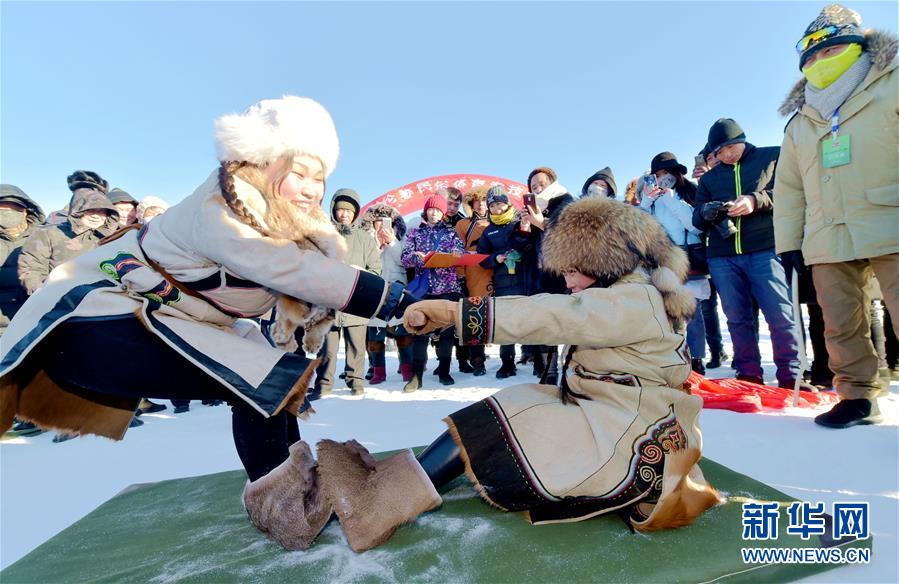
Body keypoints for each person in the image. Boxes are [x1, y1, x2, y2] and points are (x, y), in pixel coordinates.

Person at [0, 96, 419, 551]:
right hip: (99, 320)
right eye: (298, 172)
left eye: (319, 179)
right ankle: (285, 513)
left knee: (275, 379)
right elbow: (286, 269)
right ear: (263, 162)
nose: (311, 190)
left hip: (174, 317)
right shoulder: (223, 203)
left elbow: (295, 286)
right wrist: (396, 301)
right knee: (256, 381)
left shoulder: (291, 225)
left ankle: (304, 491)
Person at [264, 196, 721, 553]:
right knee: (513, 405)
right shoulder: (626, 292)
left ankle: (377, 505)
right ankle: (387, 488)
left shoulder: (630, 300)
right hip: (611, 412)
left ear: (607, 263)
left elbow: (546, 315)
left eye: (575, 270)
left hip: (632, 434)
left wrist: (451, 312)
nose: (567, 281)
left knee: (504, 420)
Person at [774, 4, 897, 428]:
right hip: (827, 233)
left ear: (855, 46)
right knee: (840, 322)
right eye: (809, 57)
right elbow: (788, 189)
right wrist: (789, 243)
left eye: (828, 52)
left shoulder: (891, 83)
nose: (817, 63)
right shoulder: (798, 123)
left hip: (889, 218)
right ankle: (858, 396)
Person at [692, 118, 809, 390]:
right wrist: (707, 212)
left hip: (765, 248)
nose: (727, 153)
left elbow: (790, 191)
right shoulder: (709, 178)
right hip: (722, 256)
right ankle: (748, 374)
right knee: (737, 317)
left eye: (732, 146)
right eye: (720, 151)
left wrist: (755, 200)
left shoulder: (771, 157)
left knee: (780, 313)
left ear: (743, 139)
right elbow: (697, 218)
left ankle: (791, 374)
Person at [639, 153, 710, 374]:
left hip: (688, 259)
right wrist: (646, 201)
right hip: (661, 260)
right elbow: (639, 228)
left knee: (692, 314)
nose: (663, 178)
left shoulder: (688, 192)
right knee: (665, 312)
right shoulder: (650, 200)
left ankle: (697, 358)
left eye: (666, 173)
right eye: (658, 175)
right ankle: (672, 357)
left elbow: (695, 225)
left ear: (676, 173)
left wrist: (671, 200)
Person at [311, 188, 382, 398]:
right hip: (329, 300)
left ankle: (356, 383)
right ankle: (323, 384)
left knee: (356, 347)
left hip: (355, 300)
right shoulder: (322, 236)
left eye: (349, 211)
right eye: (340, 209)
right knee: (327, 349)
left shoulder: (364, 239)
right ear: (333, 210)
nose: (344, 214)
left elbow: (376, 269)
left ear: (356, 213)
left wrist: (361, 274)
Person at [400, 194, 465, 389]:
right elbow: (404, 258)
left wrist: (456, 255)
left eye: (438, 210)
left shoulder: (451, 233)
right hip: (424, 288)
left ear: (443, 212)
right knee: (419, 330)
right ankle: (416, 375)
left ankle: (444, 371)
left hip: (448, 288)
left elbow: (461, 253)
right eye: (431, 209)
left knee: (447, 333)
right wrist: (416, 257)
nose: (434, 213)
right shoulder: (415, 233)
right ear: (426, 211)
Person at [523, 166, 576, 384]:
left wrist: (540, 222)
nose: (537, 188)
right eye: (533, 186)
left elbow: (569, 231)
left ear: (552, 182)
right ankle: (550, 370)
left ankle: (573, 368)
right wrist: (525, 227)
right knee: (547, 322)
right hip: (541, 274)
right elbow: (529, 244)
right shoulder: (535, 206)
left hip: (566, 274)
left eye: (541, 184)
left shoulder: (565, 199)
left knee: (568, 322)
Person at [476, 185, 534, 378]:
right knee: (504, 325)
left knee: (531, 321)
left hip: (524, 280)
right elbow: (481, 259)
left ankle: (536, 359)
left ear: (508, 204)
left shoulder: (520, 222)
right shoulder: (488, 231)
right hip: (501, 283)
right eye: (492, 206)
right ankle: (507, 363)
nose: (496, 209)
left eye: (500, 204)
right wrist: (495, 259)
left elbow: (532, 247)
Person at [17, 188, 119, 296]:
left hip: (101, 300)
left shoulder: (114, 238)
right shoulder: (48, 233)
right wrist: (45, 295)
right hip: (57, 299)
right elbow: (31, 268)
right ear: (78, 211)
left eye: (101, 211)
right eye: (90, 210)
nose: (95, 216)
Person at [360, 203, 411, 385]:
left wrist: (392, 243)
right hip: (375, 289)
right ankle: (378, 371)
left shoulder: (402, 239)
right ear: (372, 224)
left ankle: (406, 369)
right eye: (377, 222)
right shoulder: (366, 240)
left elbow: (405, 261)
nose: (381, 226)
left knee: (401, 330)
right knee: (375, 332)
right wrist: (378, 246)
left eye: (385, 222)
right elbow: (366, 263)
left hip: (397, 288)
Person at [454, 186, 492, 376]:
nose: (482, 204)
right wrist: (461, 276)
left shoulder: (501, 221)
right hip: (473, 275)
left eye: (485, 200)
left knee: (501, 316)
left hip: (498, 273)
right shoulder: (462, 225)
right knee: (476, 317)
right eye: (477, 201)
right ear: (471, 204)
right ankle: (478, 360)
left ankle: (508, 360)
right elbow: (457, 252)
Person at [0, 185, 45, 335]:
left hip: (35, 321)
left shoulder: (43, 237)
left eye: (14, 209)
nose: (7, 213)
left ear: (26, 211)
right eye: (2, 209)